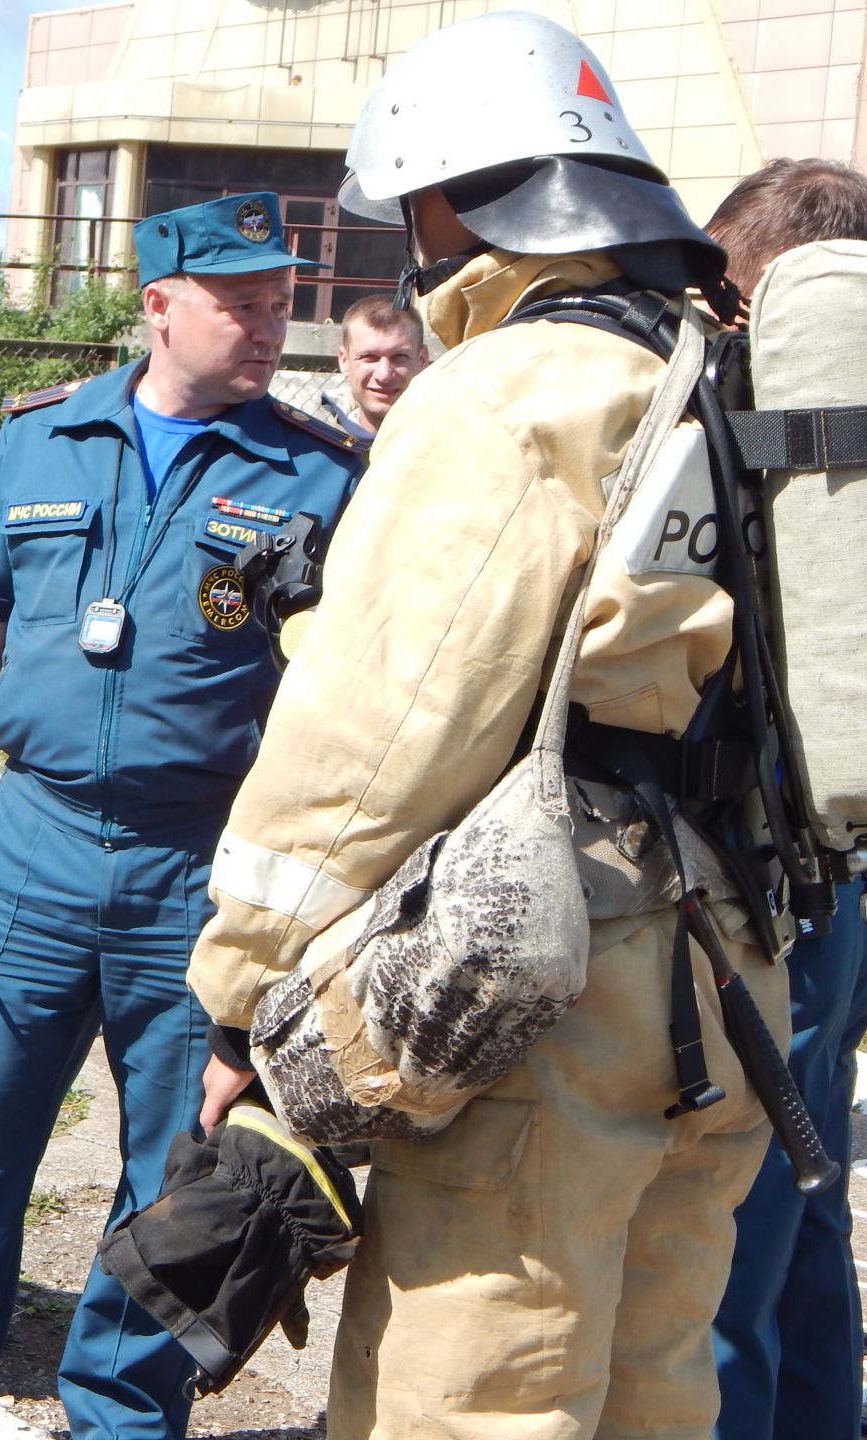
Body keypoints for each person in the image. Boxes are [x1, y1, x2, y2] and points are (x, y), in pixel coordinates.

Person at [186, 14, 790, 1438]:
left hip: (551, 998)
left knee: (471, 1401)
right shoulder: (722, 366)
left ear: (460, 197)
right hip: (736, 969)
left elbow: (380, 740)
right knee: (652, 1390)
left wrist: (242, 995)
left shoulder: (508, 392)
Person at [0, 192, 365, 1439]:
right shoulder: (42, 443)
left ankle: (120, 1410)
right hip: (28, 846)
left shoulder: (318, 472)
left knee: (172, 1167)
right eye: (238, 304)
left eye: (278, 305)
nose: (268, 328)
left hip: (197, 866)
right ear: (158, 306)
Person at [704, 156, 867, 1440]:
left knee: (728, 1243)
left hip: (777, 888)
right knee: (810, 1215)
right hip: (844, 875)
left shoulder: (771, 406)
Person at [318, 293, 428, 438]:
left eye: (399, 357)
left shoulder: (452, 448)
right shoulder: (316, 447)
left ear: (422, 360)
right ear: (344, 361)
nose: (384, 375)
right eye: (369, 357)